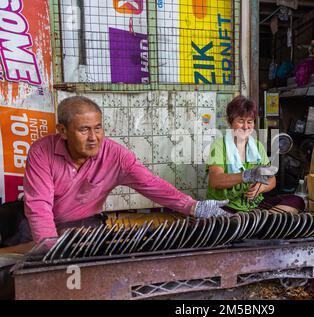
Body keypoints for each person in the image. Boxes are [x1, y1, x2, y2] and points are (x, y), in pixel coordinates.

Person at [22, 96, 228, 245]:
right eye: (84, 130)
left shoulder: (116, 156)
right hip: (40, 225)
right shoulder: (42, 152)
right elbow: (39, 206)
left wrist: (194, 207)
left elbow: (152, 184)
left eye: (98, 128)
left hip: (84, 225)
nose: (93, 137)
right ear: (63, 131)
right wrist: (49, 247)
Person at [206, 96, 304, 213]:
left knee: (297, 201)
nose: (246, 127)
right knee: (231, 222)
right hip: (227, 206)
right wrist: (246, 175)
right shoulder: (219, 146)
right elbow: (215, 180)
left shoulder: (257, 146)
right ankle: (260, 223)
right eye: (241, 121)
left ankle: (261, 221)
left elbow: (271, 180)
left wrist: (261, 188)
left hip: (254, 205)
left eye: (250, 122)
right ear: (230, 121)